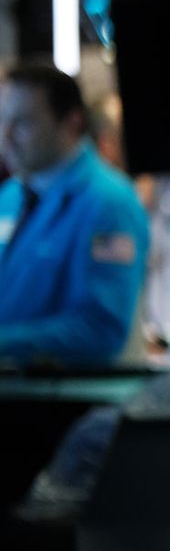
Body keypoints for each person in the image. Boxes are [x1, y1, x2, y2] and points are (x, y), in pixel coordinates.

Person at [0, 63, 149, 366]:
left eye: (24, 122)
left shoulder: (109, 203)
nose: (7, 136)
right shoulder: (11, 196)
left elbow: (99, 330)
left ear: (72, 121)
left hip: (68, 402)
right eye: (3, 120)